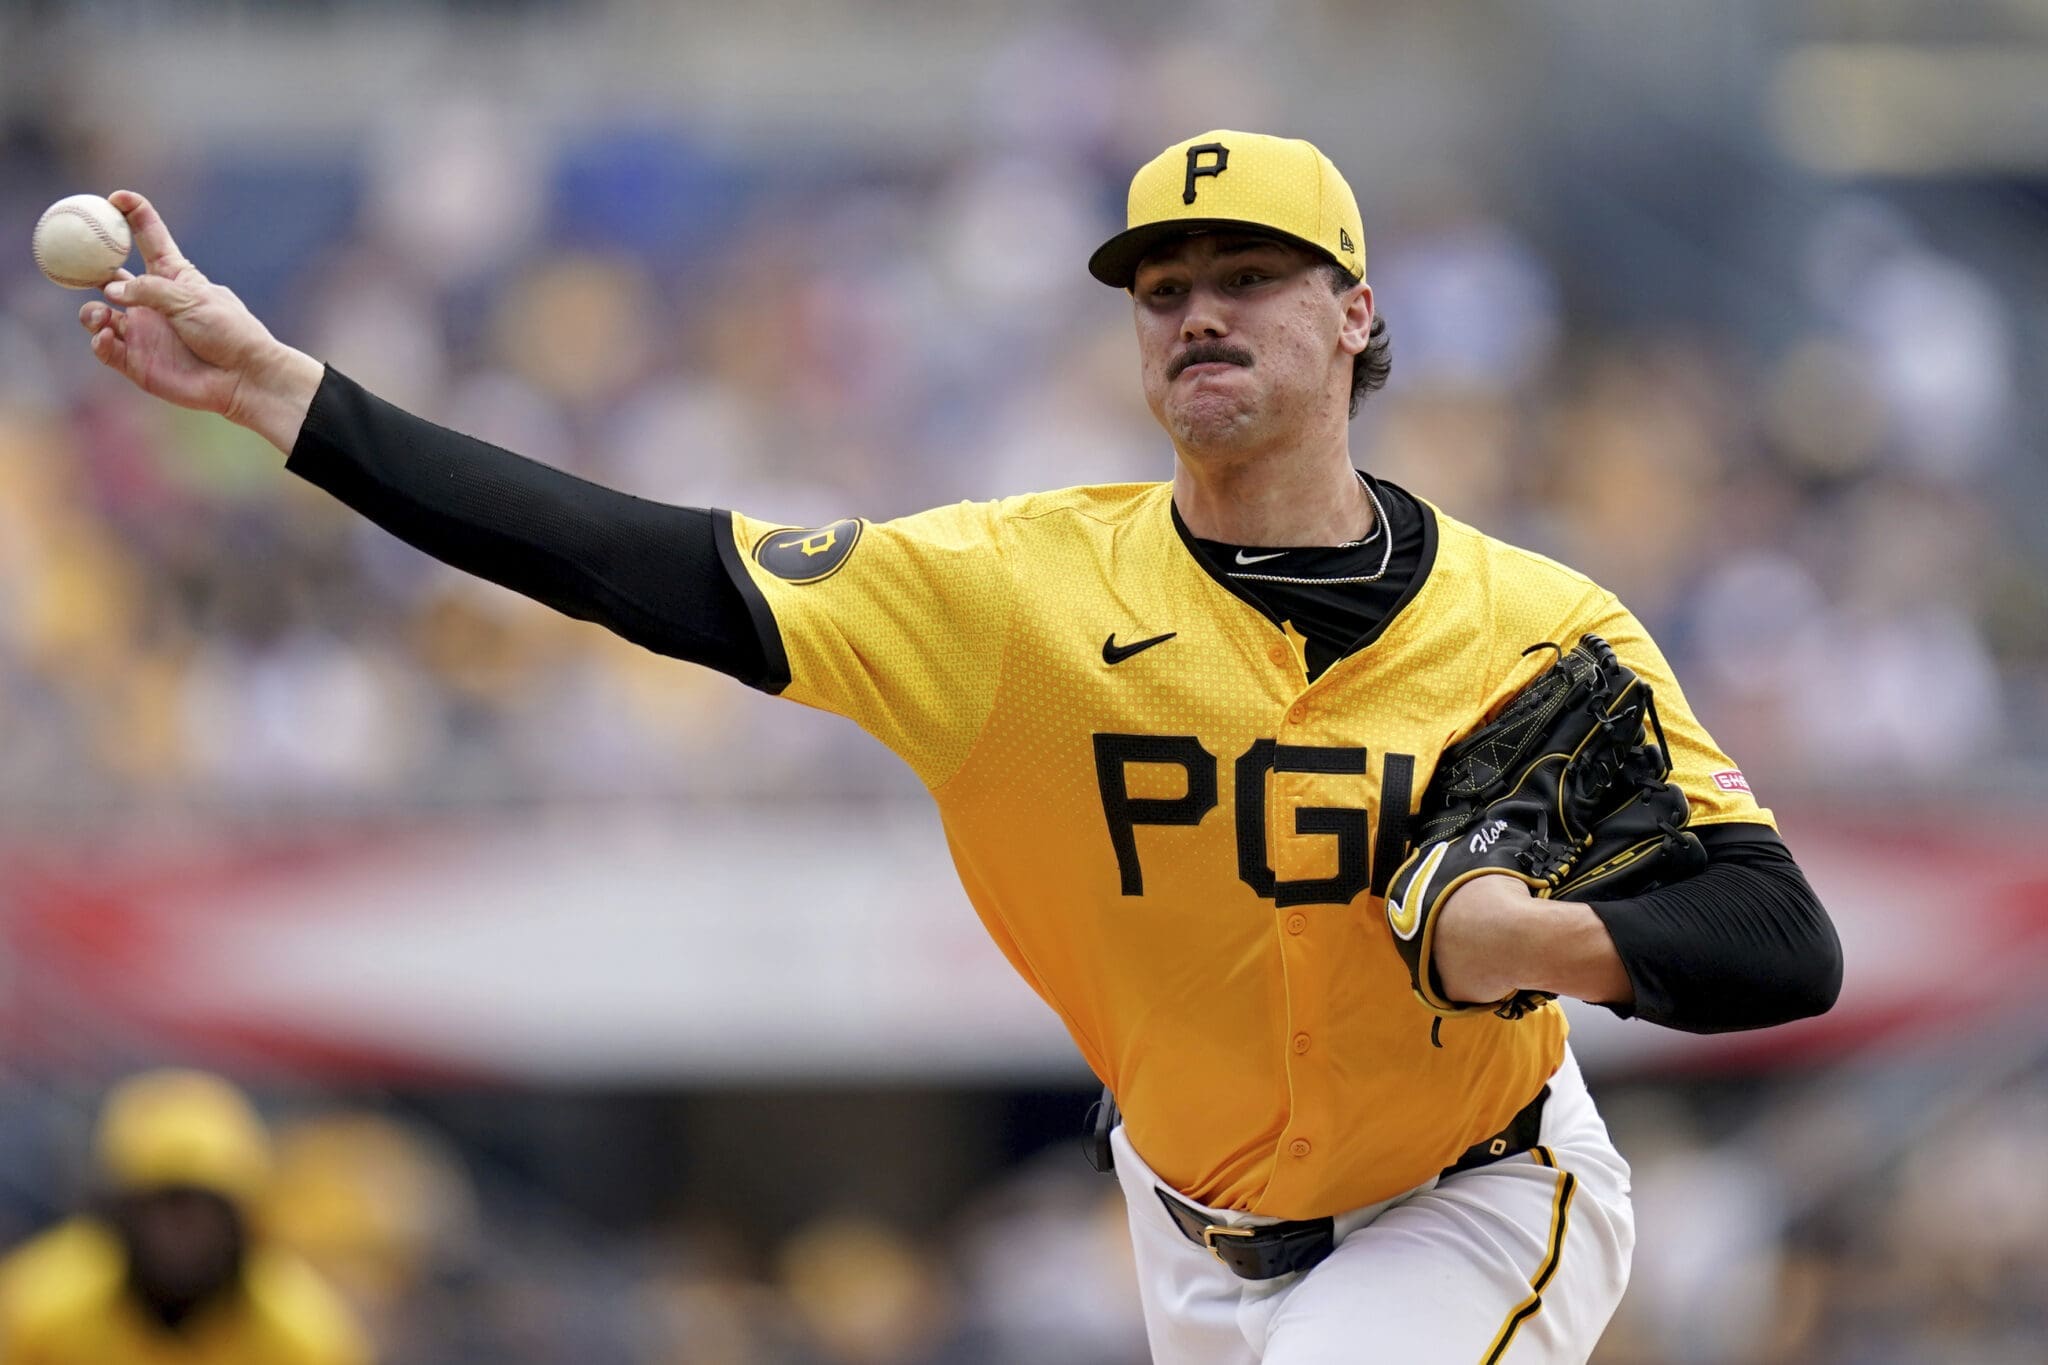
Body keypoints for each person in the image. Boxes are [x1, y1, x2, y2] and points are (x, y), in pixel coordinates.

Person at [75, 130, 1841, 1362]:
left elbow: (1780, 941)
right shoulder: (1010, 595)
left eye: (1247, 276)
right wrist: (285, 400)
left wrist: (1529, 940)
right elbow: (642, 564)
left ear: (1355, 313)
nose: (1197, 313)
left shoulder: (1530, 628)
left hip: (1467, 1190)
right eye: (1160, 288)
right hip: (1183, 1226)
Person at [0, 1069, 372, 1364]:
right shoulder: (38, 1310)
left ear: (241, 1219)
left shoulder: (305, 1337)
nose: (180, 1232)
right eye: (160, 1206)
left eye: (204, 1209)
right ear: (120, 1213)